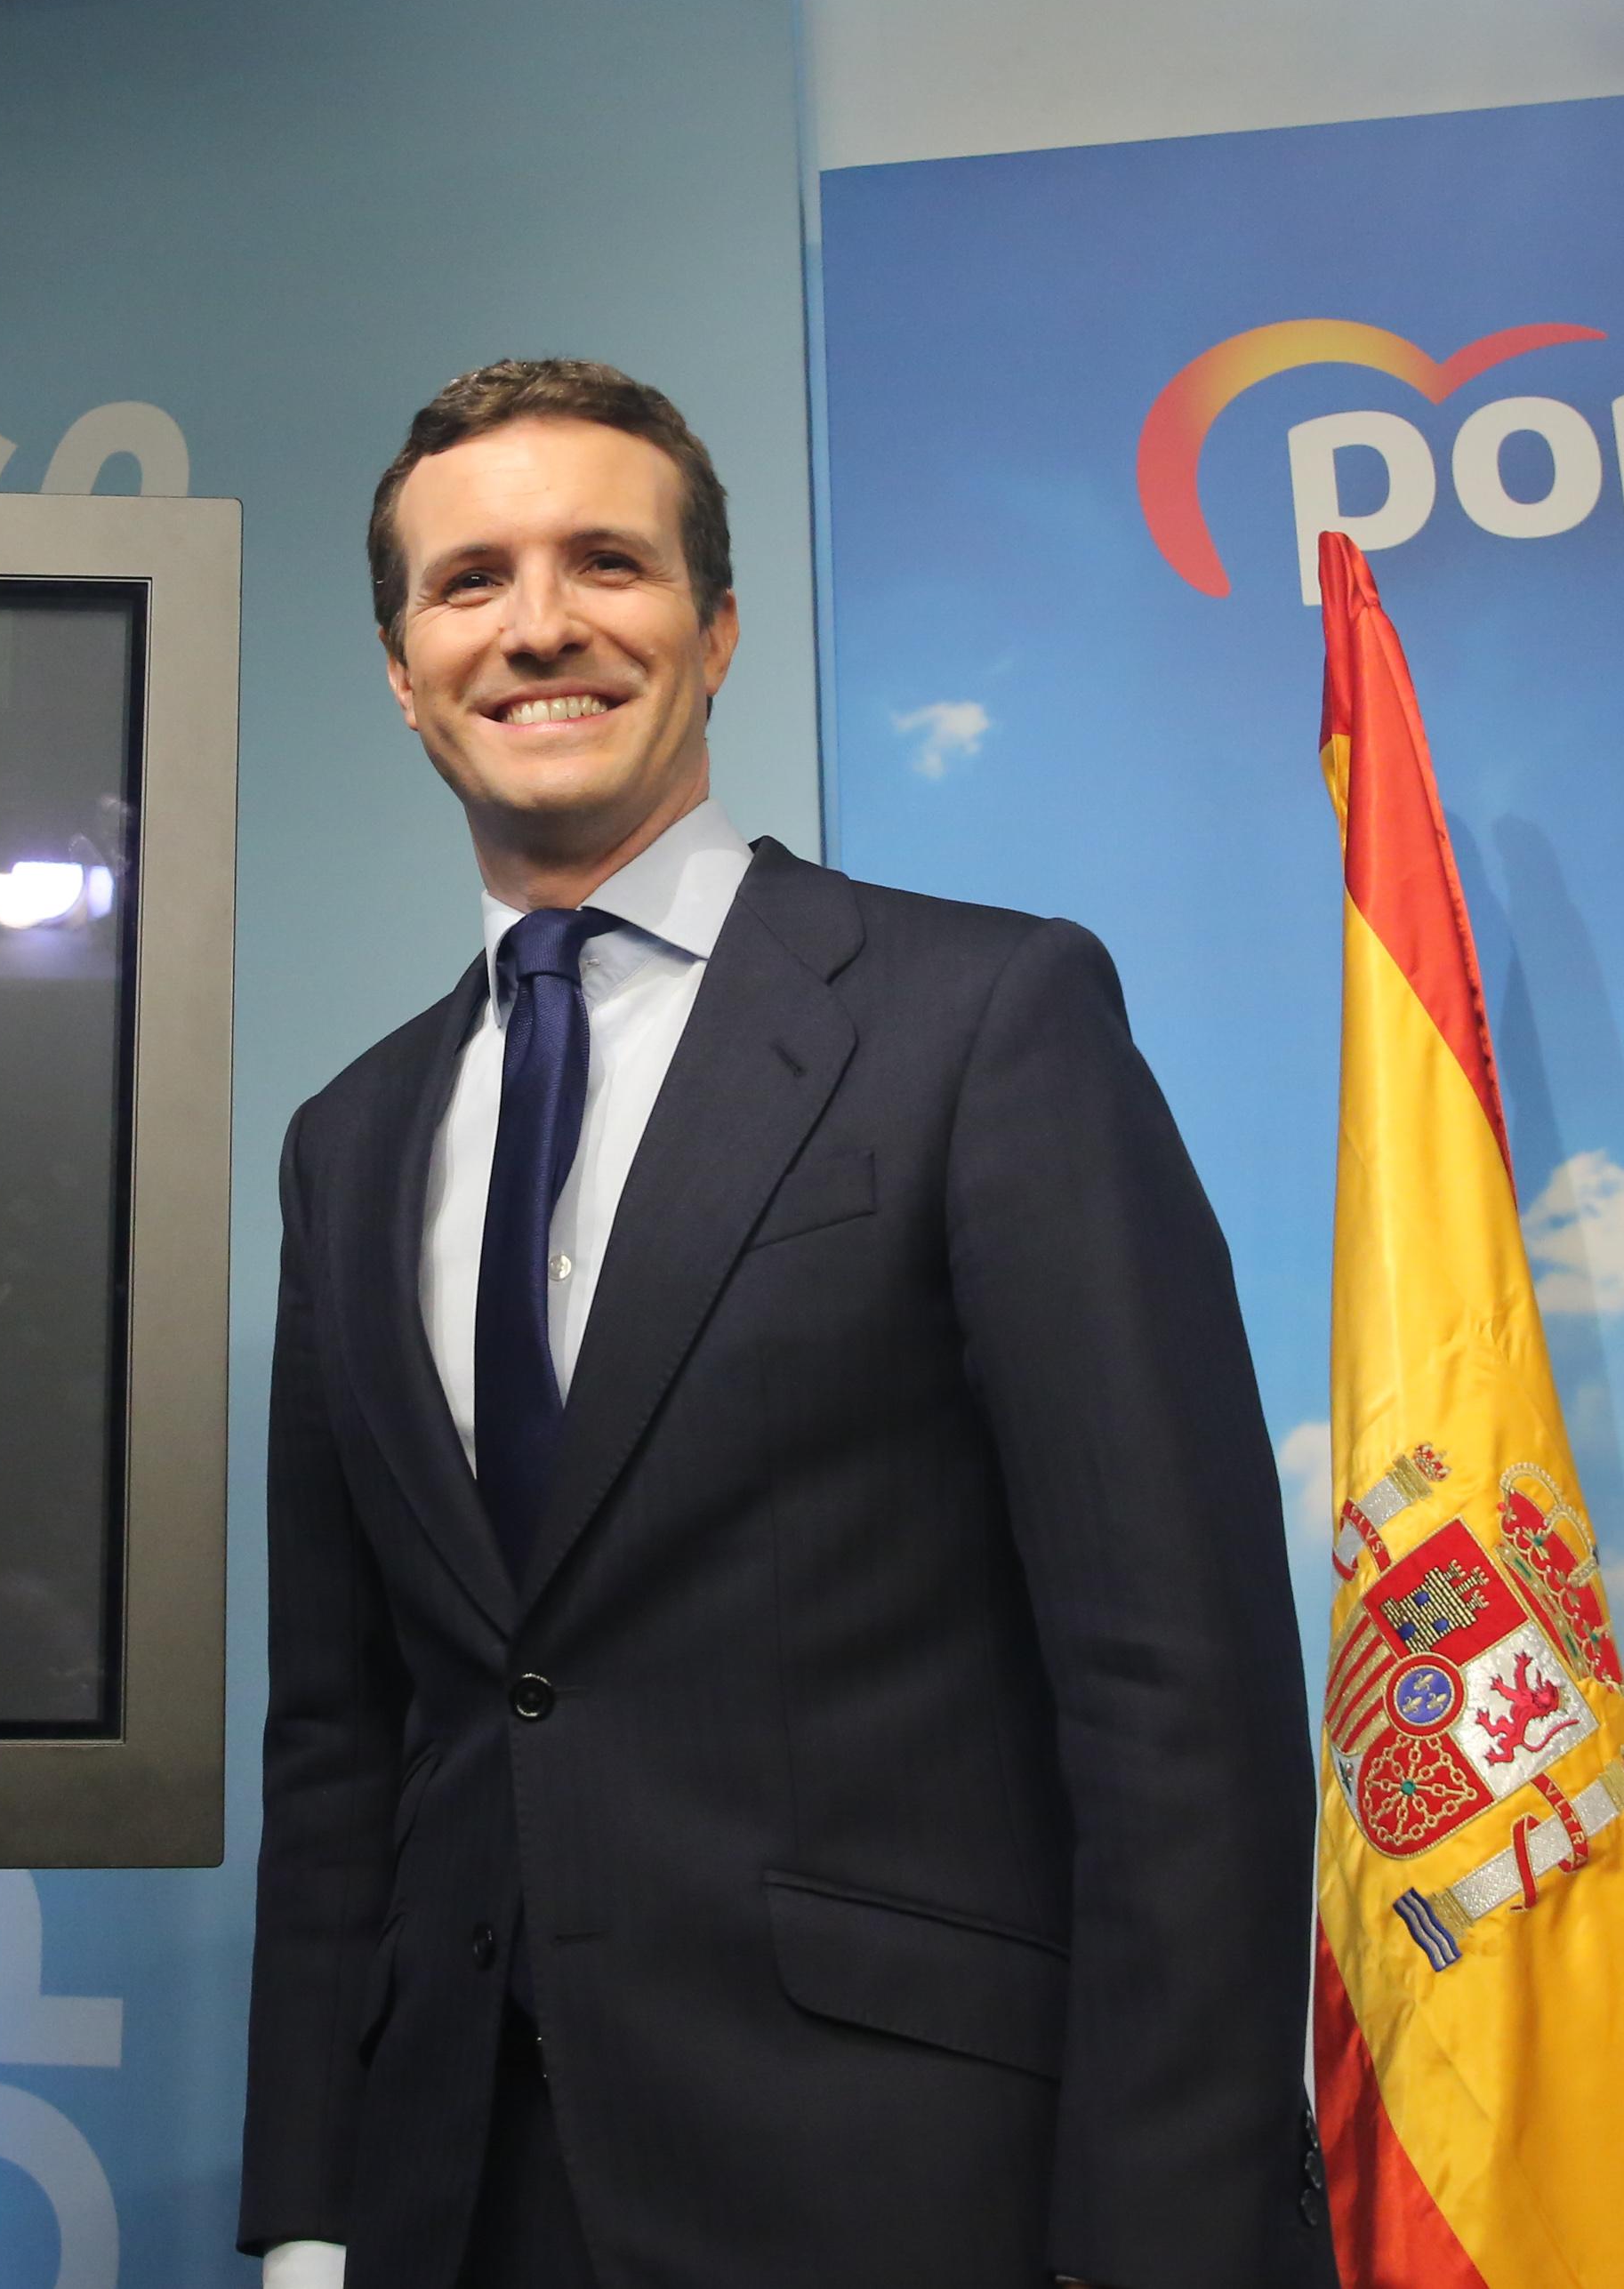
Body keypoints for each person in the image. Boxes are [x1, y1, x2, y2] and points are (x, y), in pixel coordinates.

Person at [238, 362, 1329, 2289]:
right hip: (462, 2205)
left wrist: (1169, 2233)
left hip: (915, 2190)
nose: (541, 623)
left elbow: (1180, 1685)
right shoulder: (348, 1139)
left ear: (716, 629)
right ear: (403, 672)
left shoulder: (984, 1019)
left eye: (607, 561)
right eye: (466, 581)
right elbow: (348, 1736)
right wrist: (312, 2203)